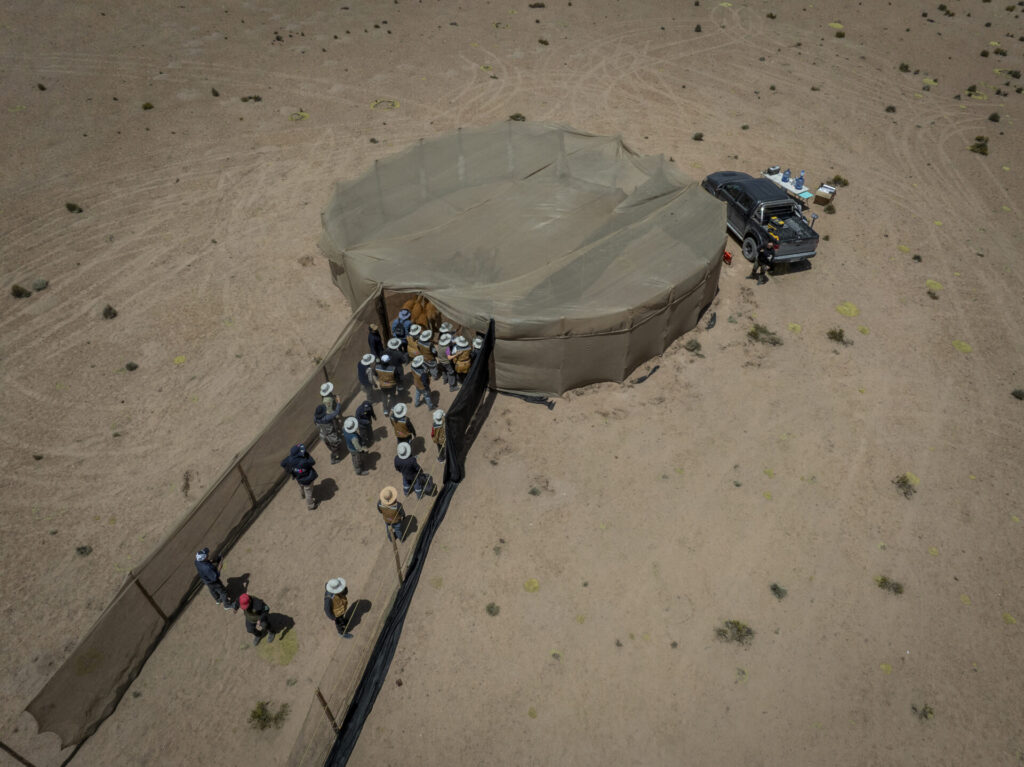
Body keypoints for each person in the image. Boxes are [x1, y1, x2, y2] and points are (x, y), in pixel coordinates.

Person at [281, 444, 318, 510]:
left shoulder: (289, 459)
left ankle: (302, 494)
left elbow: (282, 463)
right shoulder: (303, 461)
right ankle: (311, 505)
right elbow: (312, 462)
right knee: (308, 491)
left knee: (301, 485)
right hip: (307, 479)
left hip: (298, 477)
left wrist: (290, 470)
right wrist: (307, 455)